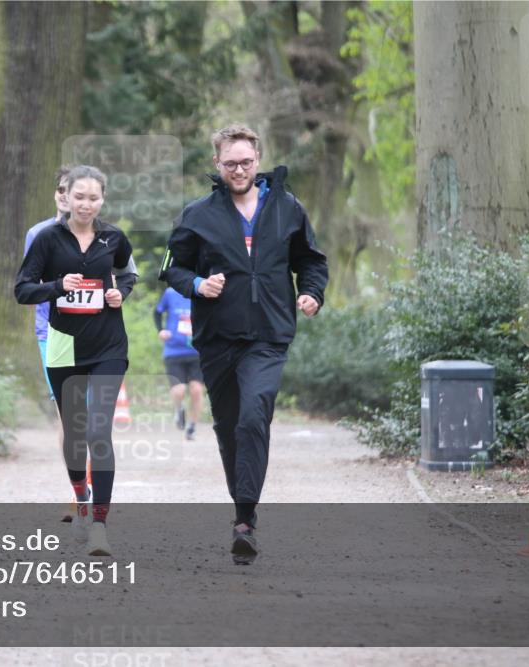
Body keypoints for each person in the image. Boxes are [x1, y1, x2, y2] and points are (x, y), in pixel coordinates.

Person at [159, 124, 328, 565]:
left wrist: (312, 292)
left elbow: (310, 260)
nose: (239, 170)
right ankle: (243, 511)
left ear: (259, 160)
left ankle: (245, 523)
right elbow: (171, 268)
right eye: (230, 163)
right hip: (217, 338)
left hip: (270, 335)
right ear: (217, 163)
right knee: (230, 425)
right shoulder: (197, 214)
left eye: (246, 162)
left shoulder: (287, 207)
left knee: (255, 415)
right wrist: (197, 283)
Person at [15, 165, 138, 557]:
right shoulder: (47, 239)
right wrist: (56, 287)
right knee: (76, 436)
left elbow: (127, 275)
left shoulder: (114, 236)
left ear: (103, 199)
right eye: (79, 197)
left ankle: (100, 525)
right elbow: (22, 290)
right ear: (65, 197)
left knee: (99, 433)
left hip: (108, 346)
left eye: (94, 197)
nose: (86, 204)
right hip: (64, 345)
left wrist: (122, 294)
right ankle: (80, 495)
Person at [24, 165, 72, 401]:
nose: (63, 194)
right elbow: (27, 286)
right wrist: (57, 286)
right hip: (51, 330)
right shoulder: (37, 234)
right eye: (60, 188)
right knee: (66, 406)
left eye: (70, 189)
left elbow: (119, 278)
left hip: (91, 332)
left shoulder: (103, 235)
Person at [154, 287, 204, 440]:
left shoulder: (202, 291)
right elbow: (157, 312)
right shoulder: (170, 292)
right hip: (174, 350)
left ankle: (192, 427)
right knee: (179, 390)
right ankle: (179, 409)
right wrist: (161, 330)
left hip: (197, 351)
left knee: (196, 390)